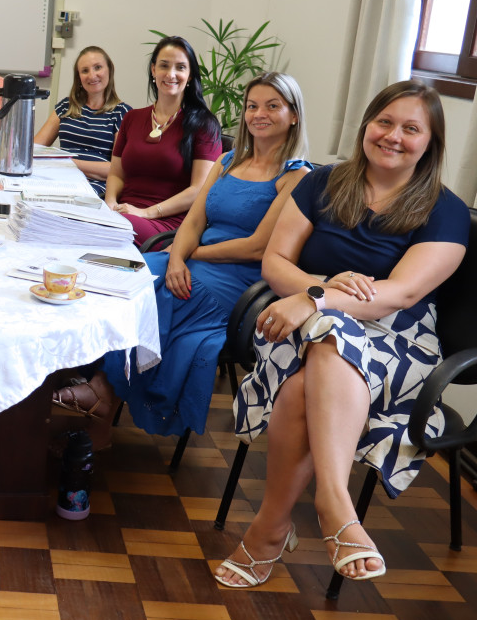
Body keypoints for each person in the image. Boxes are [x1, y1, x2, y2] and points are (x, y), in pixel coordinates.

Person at [215, 81, 467, 588]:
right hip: (298, 324)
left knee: (306, 378)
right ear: (365, 126)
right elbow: (274, 260)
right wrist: (320, 291)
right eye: (384, 122)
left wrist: (317, 298)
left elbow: (397, 294)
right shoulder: (323, 183)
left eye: (411, 128)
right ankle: (335, 508)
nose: (393, 136)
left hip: (398, 339)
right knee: (327, 335)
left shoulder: (446, 209)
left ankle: (274, 526)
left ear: (431, 142)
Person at [96, 73, 311, 445]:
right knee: (117, 278)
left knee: (157, 296)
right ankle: (92, 385)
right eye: (252, 106)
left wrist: (188, 254)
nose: (259, 114)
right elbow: (194, 219)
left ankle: (99, 398)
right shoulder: (228, 161)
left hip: (238, 280)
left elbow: (257, 247)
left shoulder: (296, 176)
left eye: (272, 106)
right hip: (189, 260)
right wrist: (177, 256)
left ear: (293, 115)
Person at [103, 36, 222, 246]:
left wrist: (146, 213)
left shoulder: (205, 125)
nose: (171, 74)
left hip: (168, 225)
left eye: (180, 67)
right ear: (153, 70)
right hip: (124, 213)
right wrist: (110, 203)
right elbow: (116, 174)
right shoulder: (132, 118)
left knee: (106, 231)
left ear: (190, 73)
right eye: (164, 66)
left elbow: (198, 190)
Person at [34, 46, 131, 196]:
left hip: (92, 188)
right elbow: (35, 150)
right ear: (78, 77)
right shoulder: (66, 106)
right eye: (85, 71)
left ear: (110, 70)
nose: (92, 76)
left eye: (98, 67)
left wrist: (67, 163)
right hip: (57, 179)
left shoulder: (122, 113)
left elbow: (118, 170)